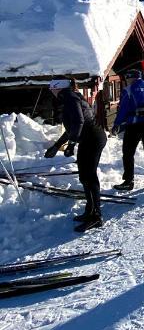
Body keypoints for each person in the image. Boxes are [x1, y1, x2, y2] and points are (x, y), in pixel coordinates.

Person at [44, 79, 107, 231]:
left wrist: (71, 144)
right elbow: (72, 127)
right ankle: (89, 211)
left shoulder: (70, 97)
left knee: (89, 176)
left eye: (52, 88)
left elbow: (78, 121)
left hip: (92, 138)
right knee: (85, 175)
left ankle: (96, 216)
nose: (51, 91)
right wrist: (57, 145)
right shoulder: (70, 97)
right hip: (89, 138)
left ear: (57, 88)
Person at [112, 68, 144, 191]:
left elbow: (123, 108)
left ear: (131, 77)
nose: (126, 81)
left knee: (128, 153)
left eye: (127, 79)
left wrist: (117, 124)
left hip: (134, 124)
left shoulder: (128, 90)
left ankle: (129, 180)